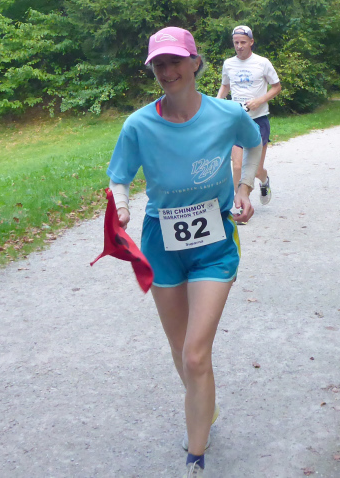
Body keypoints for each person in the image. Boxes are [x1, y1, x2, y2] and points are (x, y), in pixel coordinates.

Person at [106, 26, 263, 478]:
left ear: (195, 62)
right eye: (159, 63)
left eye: (175, 61)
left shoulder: (226, 114)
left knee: (195, 353)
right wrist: (122, 205)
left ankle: (196, 456)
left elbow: (254, 144)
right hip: (162, 244)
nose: (167, 70)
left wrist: (245, 188)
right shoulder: (139, 125)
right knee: (181, 350)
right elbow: (119, 176)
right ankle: (204, 402)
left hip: (214, 244)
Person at [217, 25, 281, 213]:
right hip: (237, 121)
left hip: (258, 120)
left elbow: (277, 87)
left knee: (255, 170)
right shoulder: (228, 64)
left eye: (243, 42)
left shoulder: (262, 63)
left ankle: (264, 180)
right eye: (236, 42)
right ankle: (239, 205)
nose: (239, 46)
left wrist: (259, 101)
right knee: (237, 165)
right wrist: (216, 105)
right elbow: (225, 86)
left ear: (251, 42)